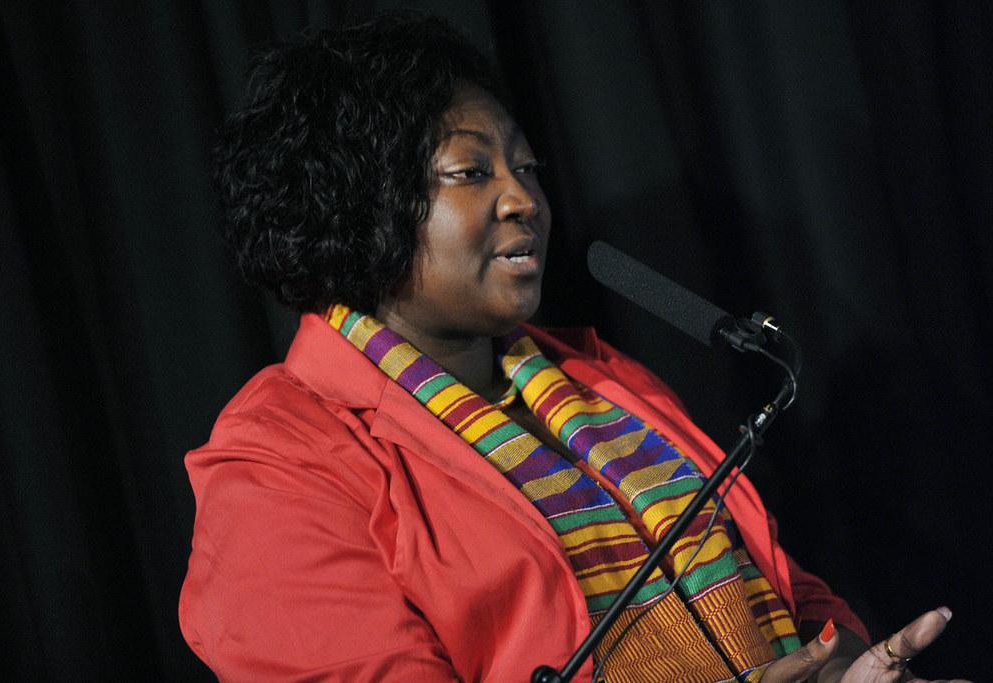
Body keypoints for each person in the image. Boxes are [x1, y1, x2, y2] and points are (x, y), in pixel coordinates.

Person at [179, 14, 965, 683]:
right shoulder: (278, 464)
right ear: (357, 204)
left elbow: (781, 586)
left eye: (525, 167)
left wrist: (847, 662)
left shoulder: (601, 379)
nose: (523, 199)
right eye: (471, 171)